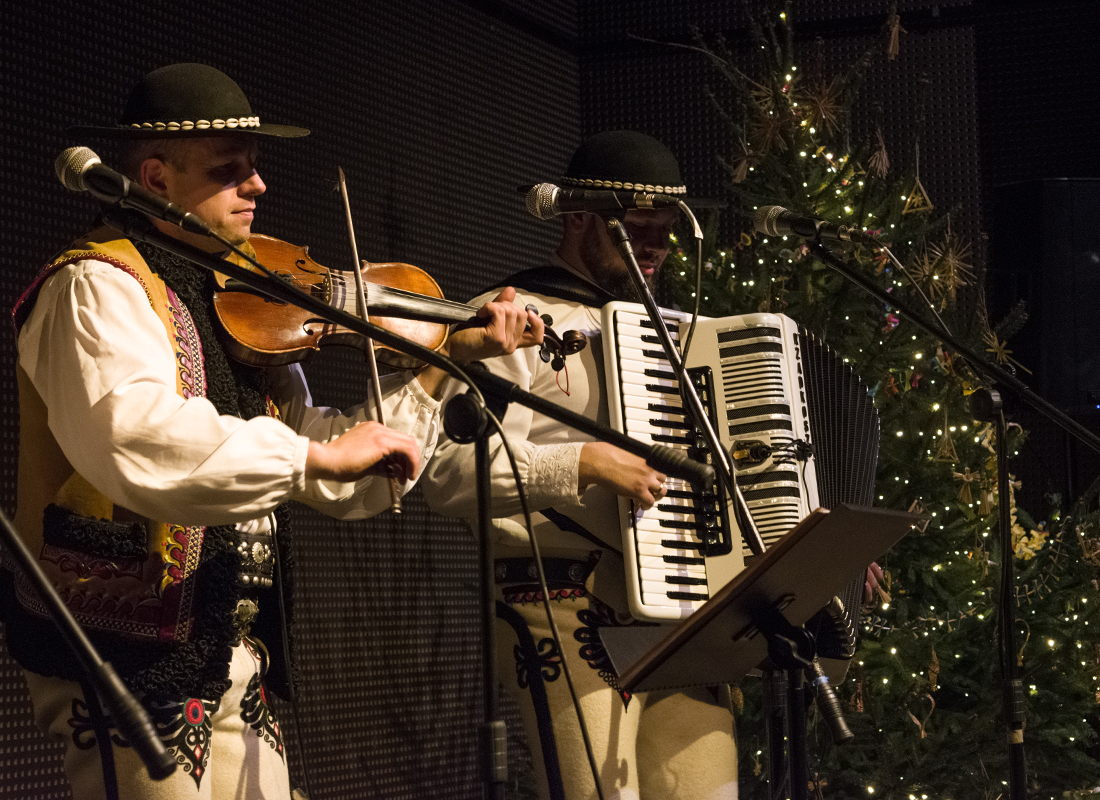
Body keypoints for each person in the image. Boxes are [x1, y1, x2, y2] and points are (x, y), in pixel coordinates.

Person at [4, 63, 542, 800]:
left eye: (254, 167)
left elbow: (335, 467)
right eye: (230, 171)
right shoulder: (96, 285)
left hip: (233, 639)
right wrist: (314, 455)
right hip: (121, 643)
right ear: (157, 177)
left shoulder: (237, 294)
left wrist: (441, 361)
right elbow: (136, 437)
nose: (257, 186)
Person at [422, 130, 740, 800]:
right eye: (636, 227)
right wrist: (582, 463)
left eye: (664, 229)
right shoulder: (510, 317)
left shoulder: (682, 333)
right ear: (577, 219)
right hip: (561, 598)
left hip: (682, 609)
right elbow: (445, 469)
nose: (655, 245)